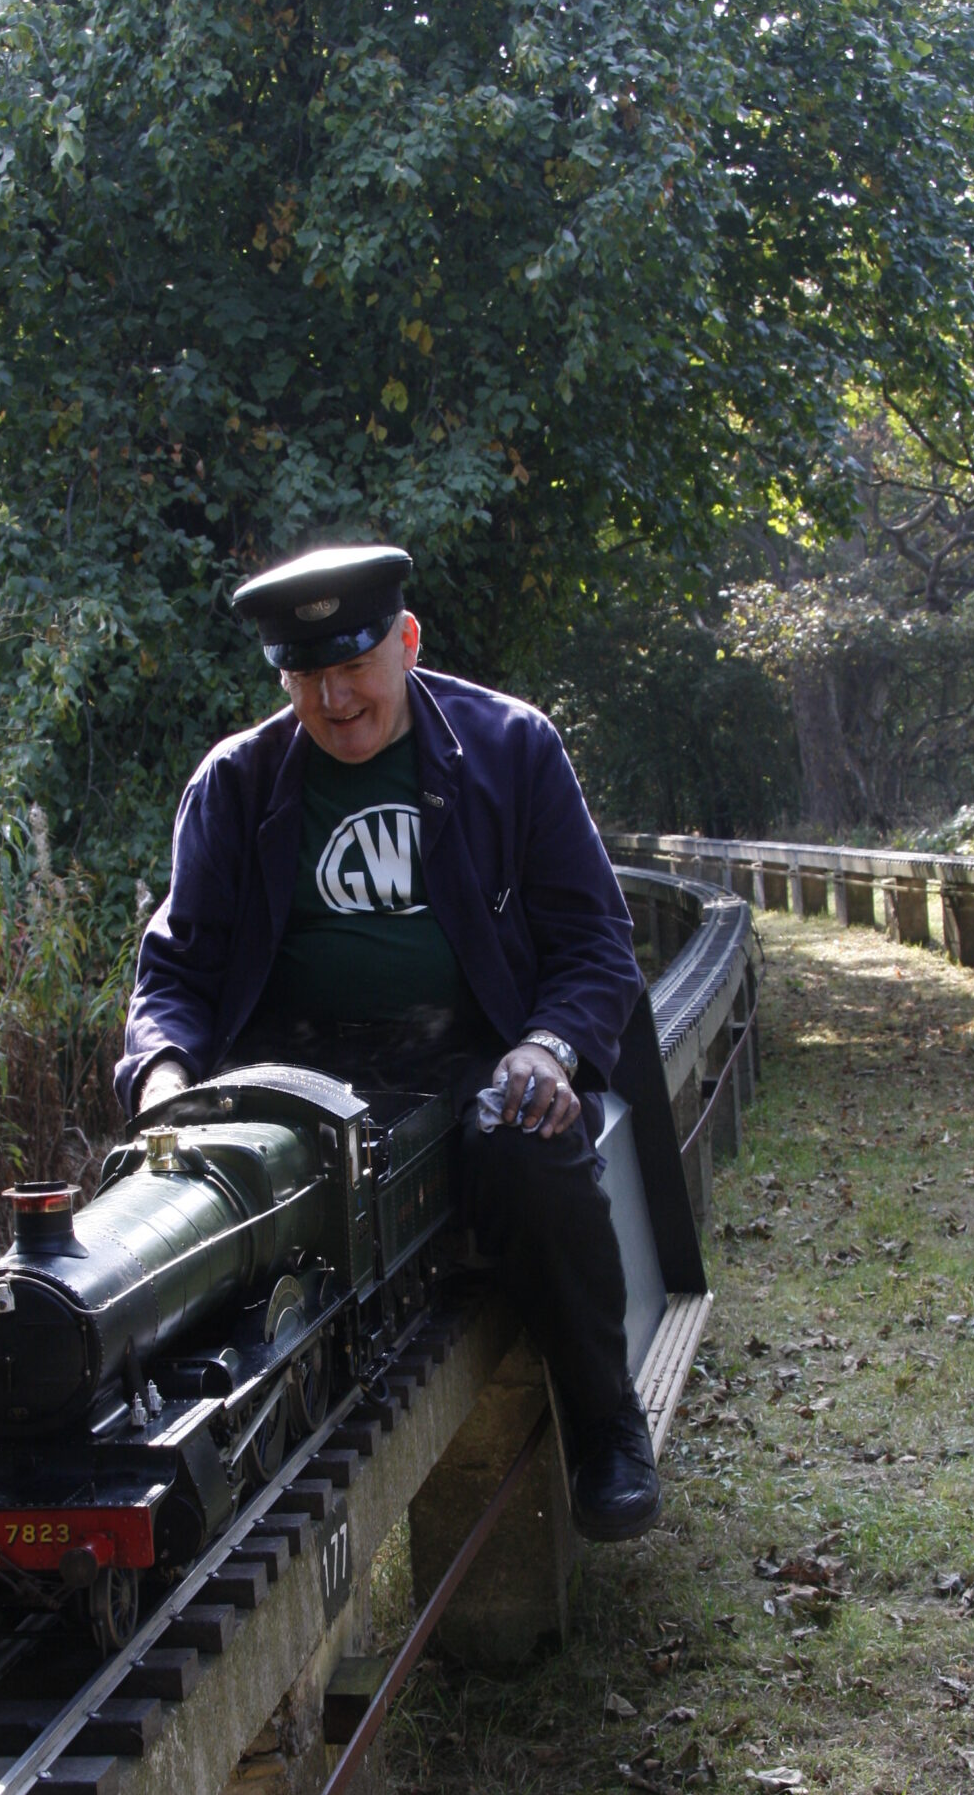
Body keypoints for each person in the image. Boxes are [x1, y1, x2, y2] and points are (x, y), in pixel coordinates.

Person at [117, 542, 661, 1539]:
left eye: (355, 666)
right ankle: (164, 1469)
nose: (336, 699)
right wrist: (164, 1079)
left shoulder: (512, 749)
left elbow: (594, 941)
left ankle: (606, 1420)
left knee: (531, 1143)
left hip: (479, 1053)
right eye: (308, 677)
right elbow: (176, 972)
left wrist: (548, 1045)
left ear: (407, 644)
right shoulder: (234, 786)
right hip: (294, 1072)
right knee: (174, 1210)